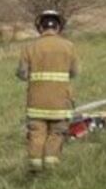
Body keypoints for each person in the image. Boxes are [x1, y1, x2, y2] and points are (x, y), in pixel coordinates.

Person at [16, 10, 79, 174]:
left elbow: (22, 74)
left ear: (40, 27)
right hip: (60, 102)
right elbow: (74, 73)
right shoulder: (69, 46)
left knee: (36, 134)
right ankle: (51, 170)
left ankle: (35, 170)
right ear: (58, 27)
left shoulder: (29, 47)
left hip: (36, 103)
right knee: (57, 133)